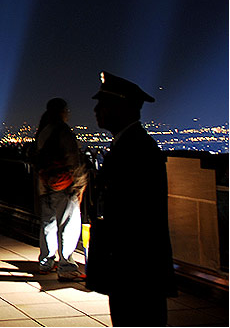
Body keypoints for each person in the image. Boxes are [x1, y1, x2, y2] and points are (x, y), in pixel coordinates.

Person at [89, 72, 175, 326]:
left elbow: (135, 214)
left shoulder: (136, 149)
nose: (96, 110)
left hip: (136, 267)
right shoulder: (130, 145)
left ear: (121, 107)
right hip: (132, 265)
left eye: (103, 104)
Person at [31, 98, 86, 280]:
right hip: (64, 185)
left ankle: (46, 262)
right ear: (63, 111)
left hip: (45, 184)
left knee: (48, 223)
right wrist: (78, 186)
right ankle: (67, 266)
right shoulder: (63, 131)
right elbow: (73, 161)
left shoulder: (43, 131)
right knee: (68, 224)